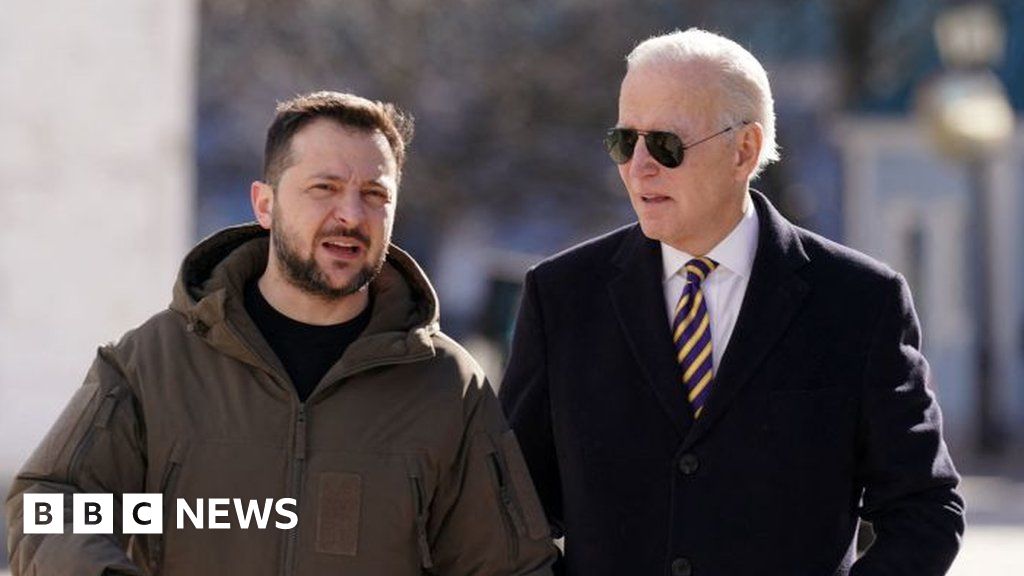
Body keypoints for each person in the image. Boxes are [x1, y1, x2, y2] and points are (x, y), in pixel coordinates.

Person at [7, 91, 556, 576]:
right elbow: (50, 504)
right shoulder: (155, 362)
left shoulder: (446, 387)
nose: (350, 213)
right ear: (265, 205)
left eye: (375, 194)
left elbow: (509, 566)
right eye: (325, 187)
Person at [499, 29, 965, 576]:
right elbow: (509, 513)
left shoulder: (860, 302)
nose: (639, 167)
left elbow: (925, 509)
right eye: (626, 143)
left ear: (744, 149)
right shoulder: (562, 297)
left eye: (666, 145)